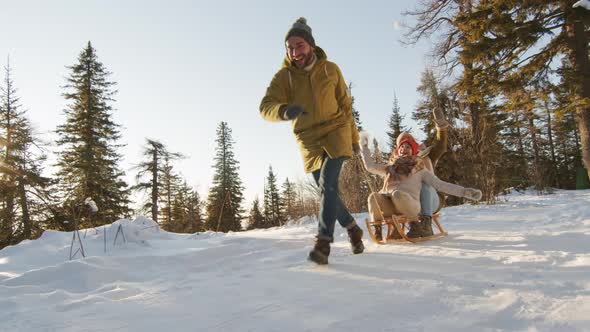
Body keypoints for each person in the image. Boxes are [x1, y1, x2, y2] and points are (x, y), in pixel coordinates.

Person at [259, 17, 364, 265]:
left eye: (300, 45)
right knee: (326, 192)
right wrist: (283, 111)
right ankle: (352, 228)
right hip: (308, 139)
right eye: (290, 48)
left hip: (336, 130)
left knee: (328, 184)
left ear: (311, 45)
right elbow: (266, 106)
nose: (295, 52)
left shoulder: (330, 69)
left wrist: (354, 138)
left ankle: (323, 243)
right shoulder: (285, 77)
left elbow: (346, 106)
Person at [359, 134, 482, 232]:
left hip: (411, 205)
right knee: (373, 197)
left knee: (397, 194)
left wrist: (465, 192)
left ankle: (414, 225)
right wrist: (364, 146)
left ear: (413, 151)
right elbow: (370, 166)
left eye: (408, 147)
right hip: (391, 206)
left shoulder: (420, 169)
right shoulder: (389, 168)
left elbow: (440, 185)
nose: (404, 149)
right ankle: (378, 229)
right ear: (397, 150)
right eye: (402, 147)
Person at [372, 110, 449, 240]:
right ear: (398, 147)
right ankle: (396, 228)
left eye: (409, 143)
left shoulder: (425, 155)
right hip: (409, 201)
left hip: (430, 199)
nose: (406, 147)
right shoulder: (394, 164)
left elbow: (441, 146)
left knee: (424, 183)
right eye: (402, 144)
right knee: (395, 191)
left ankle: (426, 224)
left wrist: (441, 128)